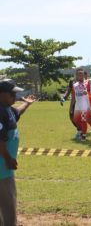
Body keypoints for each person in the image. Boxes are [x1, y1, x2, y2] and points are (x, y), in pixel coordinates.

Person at [0, 79, 35, 226]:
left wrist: (26, 103)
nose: (15, 97)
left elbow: (17, 112)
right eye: (12, 94)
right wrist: (8, 158)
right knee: (8, 204)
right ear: (1, 94)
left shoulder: (7, 108)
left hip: (5, 168)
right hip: (2, 168)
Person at [72, 69, 91, 142]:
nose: (81, 76)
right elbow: (73, 96)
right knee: (76, 120)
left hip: (86, 105)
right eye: (79, 74)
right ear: (77, 75)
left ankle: (83, 136)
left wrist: (88, 92)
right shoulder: (74, 85)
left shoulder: (88, 83)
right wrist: (72, 106)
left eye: (82, 74)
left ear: (84, 75)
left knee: (83, 120)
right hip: (78, 105)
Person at [60, 69, 81, 138]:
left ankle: (80, 132)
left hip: (82, 102)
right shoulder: (72, 81)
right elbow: (68, 91)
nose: (79, 75)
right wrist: (64, 98)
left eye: (80, 74)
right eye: (78, 74)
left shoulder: (85, 82)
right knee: (71, 117)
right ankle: (80, 130)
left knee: (79, 117)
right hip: (73, 102)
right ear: (76, 74)